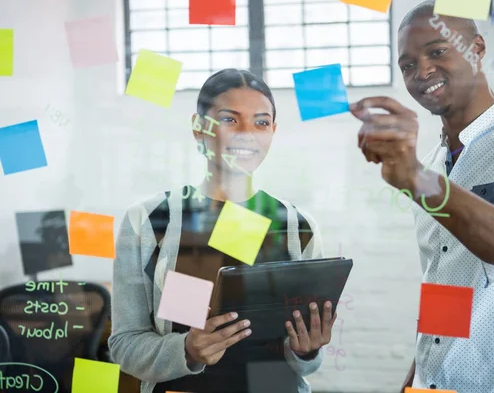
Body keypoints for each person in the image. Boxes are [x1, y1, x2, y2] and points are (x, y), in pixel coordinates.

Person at [349, 0, 494, 393]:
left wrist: (421, 182)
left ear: (477, 49)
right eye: (407, 65)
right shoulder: (431, 162)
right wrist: (418, 379)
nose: (422, 72)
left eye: (437, 52)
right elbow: (446, 285)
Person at [109, 68, 336, 393]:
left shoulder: (296, 226)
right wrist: (185, 349)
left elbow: (306, 361)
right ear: (199, 128)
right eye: (230, 119)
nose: (247, 134)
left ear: (273, 130)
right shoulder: (149, 221)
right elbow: (125, 344)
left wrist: (308, 349)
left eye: (260, 122)